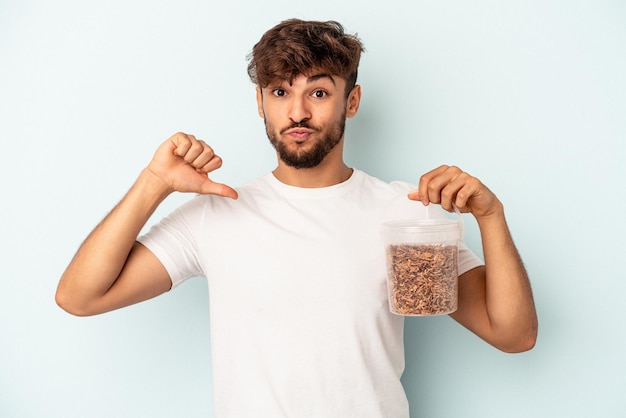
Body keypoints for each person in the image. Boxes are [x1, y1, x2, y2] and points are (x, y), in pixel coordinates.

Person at [56, 18, 537, 417]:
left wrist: (491, 217)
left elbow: (513, 335)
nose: (298, 112)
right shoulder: (217, 214)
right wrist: (152, 184)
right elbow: (80, 297)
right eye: (280, 92)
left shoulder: (401, 213)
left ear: (351, 101)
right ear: (261, 103)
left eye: (319, 93)